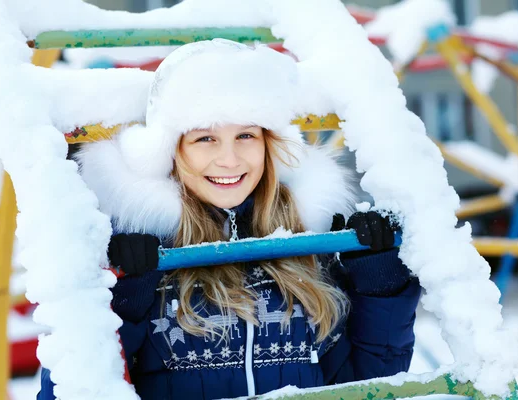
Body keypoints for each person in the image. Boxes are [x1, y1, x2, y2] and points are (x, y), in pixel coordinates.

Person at [38, 39, 420, 400]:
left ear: (269, 143)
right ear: (170, 150)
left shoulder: (308, 243)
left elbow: (373, 381)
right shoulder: (132, 252)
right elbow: (72, 387)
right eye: (205, 139)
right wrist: (122, 299)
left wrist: (377, 279)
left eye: (246, 136)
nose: (230, 160)